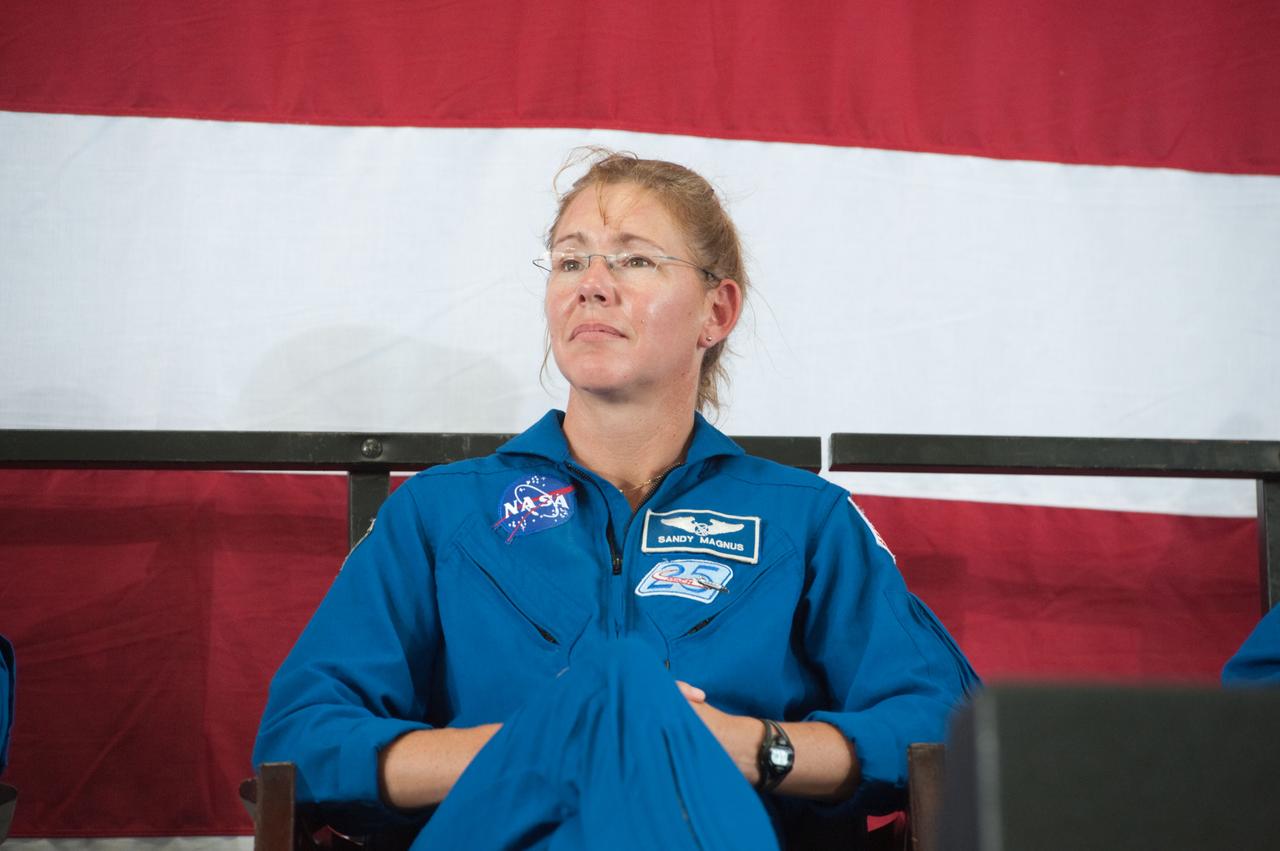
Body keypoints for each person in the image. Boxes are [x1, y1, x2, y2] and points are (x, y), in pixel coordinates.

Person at [254, 150, 979, 849]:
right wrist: (544, 744)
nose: (591, 284)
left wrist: (756, 747)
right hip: (499, 829)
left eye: (633, 259)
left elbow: (949, 726)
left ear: (716, 310)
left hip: (716, 827)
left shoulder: (806, 519)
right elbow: (301, 738)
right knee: (621, 684)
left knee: (625, 683)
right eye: (570, 260)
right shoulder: (440, 513)